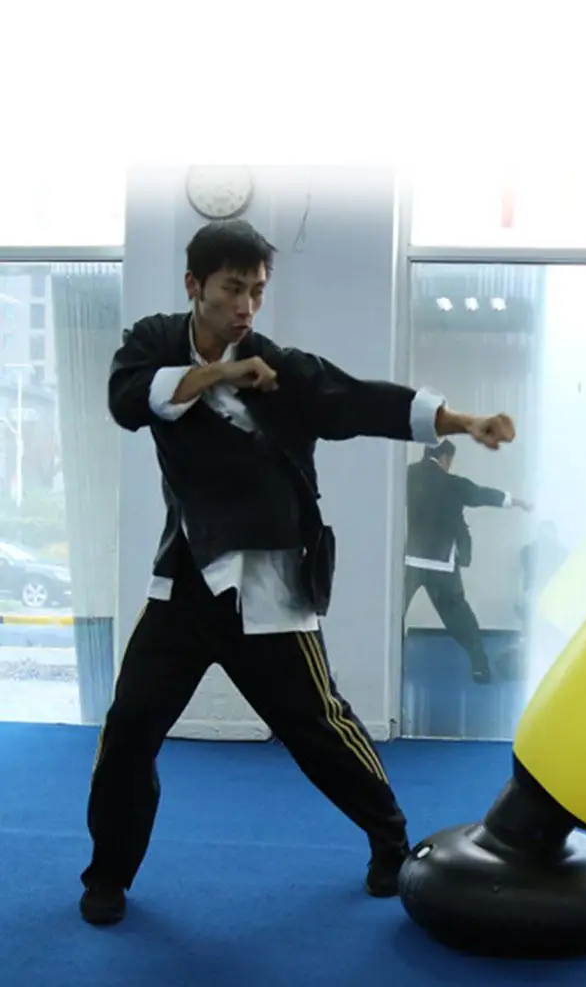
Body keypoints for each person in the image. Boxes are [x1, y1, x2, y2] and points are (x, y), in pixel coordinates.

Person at [79, 220, 516, 926]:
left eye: (256, 291)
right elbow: (129, 401)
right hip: (185, 582)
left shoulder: (282, 370)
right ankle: (107, 874)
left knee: (320, 726)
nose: (246, 306)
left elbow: (362, 399)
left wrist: (461, 421)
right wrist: (221, 373)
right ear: (194, 286)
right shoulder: (154, 341)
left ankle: (390, 839)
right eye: (232, 289)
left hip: (270, 583)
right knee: (128, 729)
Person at [403, 439, 530, 683]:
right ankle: (480, 666)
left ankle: (380, 662)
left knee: (392, 614)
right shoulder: (453, 484)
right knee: (460, 618)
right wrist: (516, 501)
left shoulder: (408, 476)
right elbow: (481, 494)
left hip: (411, 560)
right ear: (445, 458)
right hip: (441, 564)